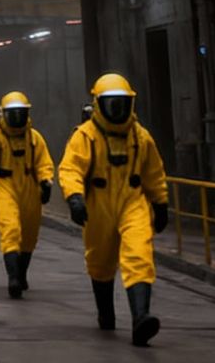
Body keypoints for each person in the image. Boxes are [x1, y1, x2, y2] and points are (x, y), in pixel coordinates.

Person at [58, 73, 169, 346]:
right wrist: (74, 197)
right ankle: (106, 314)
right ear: (98, 104)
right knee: (100, 260)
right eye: (111, 104)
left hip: (133, 202)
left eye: (121, 104)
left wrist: (160, 202)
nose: (117, 110)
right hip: (98, 204)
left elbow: (153, 172)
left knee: (139, 255)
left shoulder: (140, 137)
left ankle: (141, 317)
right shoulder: (86, 136)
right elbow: (71, 168)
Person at [0, 90, 55, 298]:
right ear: (3, 115)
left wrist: (46, 182)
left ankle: (22, 272)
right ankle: (13, 278)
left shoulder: (34, 138)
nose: (17, 118)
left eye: (21, 114)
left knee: (29, 233)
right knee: (10, 229)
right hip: (4, 185)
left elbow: (44, 163)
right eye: (13, 114)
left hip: (30, 186)